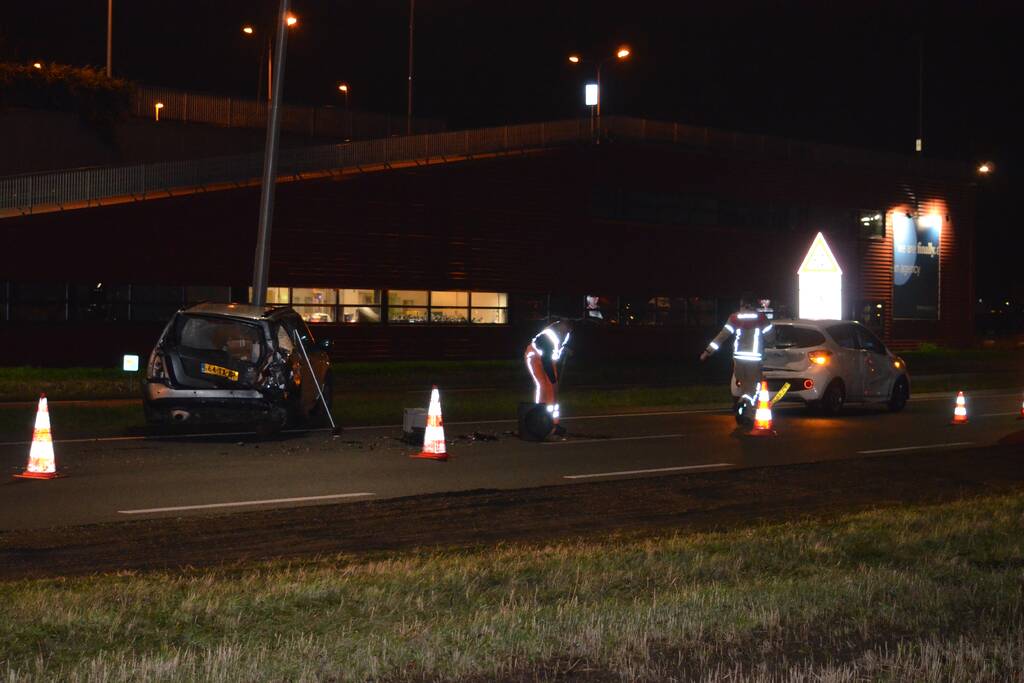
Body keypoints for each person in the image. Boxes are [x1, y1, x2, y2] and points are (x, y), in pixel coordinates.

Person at [700, 296, 773, 422]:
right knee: (754, 388)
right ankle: (746, 407)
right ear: (753, 305)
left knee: (744, 386)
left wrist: (707, 352)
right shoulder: (761, 318)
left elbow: (722, 336)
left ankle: (743, 412)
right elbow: (771, 337)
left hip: (738, 358)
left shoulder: (734, 318)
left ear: (742, 304)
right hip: (754, 358)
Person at [524, 319, 572, 434]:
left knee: (553, 392)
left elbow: (558, 348)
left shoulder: (565, 334)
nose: (567, 332)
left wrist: (565, 349)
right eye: (565, 329)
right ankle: (538, 417)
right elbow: (545, 361)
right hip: (534, 358)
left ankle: (553, 424)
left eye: (568, 330)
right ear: (560, 326)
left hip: (549, 360)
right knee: (543, 387)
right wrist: (554, 381)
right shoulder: (548, 336)